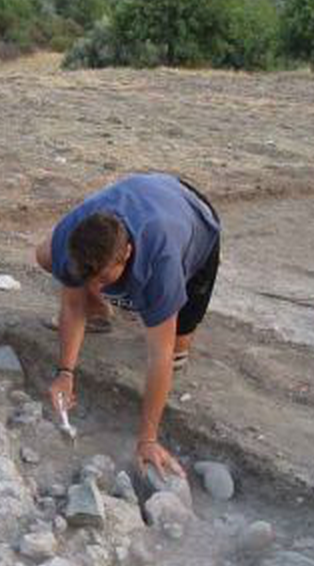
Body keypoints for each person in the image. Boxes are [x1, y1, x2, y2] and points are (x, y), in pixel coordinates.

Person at [34, 173, 221, 477]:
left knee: (175, 352)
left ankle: (156, 311)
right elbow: (71, 302)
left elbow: (157, 355)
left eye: (104, 278)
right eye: (89, 279)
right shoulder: (72, 238)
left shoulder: (161, 261)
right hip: (144, 193)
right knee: (46, 256)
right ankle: (100, 315)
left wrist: (148, 439)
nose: (95, 285)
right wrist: (65, 373)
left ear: (128, 255)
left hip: (193, 215)